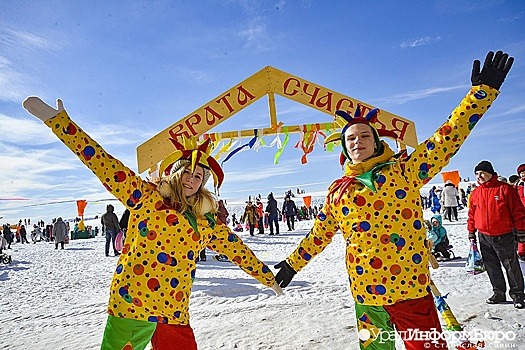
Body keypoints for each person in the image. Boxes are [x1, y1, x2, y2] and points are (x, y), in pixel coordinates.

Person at [273, 51, 514, 349]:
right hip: (367, 298)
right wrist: (292, 264)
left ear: (376, 142)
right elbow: (319, 234)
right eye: (351, 138)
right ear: (345, 148)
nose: (357, 141)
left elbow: (447, 138)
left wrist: (482, 92)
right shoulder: (338, 191)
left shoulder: (405, 171)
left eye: (364, 136)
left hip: (411, 291)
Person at [22, 96, 282, 350]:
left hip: (173, 310)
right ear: (177, 174)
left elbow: (236, 249)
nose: (192, 180)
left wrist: (267, 277)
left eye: (199, 177)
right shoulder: (144, 197)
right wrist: (59, 122)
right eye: (188, 173)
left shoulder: (205, 221)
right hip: (131, 304)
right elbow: (102, 163)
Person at [467, 160, 525, 309]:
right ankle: (498, 293)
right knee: (491, 266)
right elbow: (472, 214)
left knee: (511, 267)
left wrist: (521, 232)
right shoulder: (475, 193)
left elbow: (517, 211)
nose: (479, 176)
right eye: (477, 174)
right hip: (484, 236)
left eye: (482, 173)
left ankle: (518, 295)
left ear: (490, 174)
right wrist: (471, 232)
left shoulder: (504, 189)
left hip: (503, 235)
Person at [513, 163, 525, 261]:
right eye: (521, 173)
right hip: (520, 213)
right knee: (521, 234)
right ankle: (522, 253)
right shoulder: (517, 185)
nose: (523, 174)